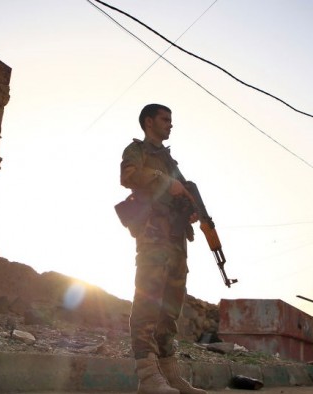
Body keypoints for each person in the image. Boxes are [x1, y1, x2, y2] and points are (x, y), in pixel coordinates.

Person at [120, 103, 205, 394]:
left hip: (176, 237)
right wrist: (164, 181)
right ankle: (147, 375)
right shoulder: (137, 151)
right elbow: (128, 176)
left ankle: (169, 375)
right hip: (153, 233)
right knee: (148, 299)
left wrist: (190, 209)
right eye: (165, 119)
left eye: (171, 119)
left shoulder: (171, 161)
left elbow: (181, 192)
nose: (170, 124)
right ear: (148, 122)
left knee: (171, 304)